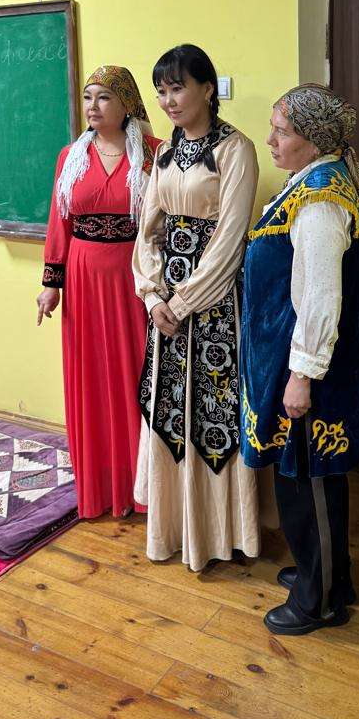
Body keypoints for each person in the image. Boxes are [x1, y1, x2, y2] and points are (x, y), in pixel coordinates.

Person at [240, 83, 359, 635]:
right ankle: (327, 573)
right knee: (309, 480)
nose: (271, 140)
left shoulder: (321, 199)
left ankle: (319, 600)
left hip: (310, 369)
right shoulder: (312, 182)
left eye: (281, 132)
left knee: (309, 484)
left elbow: (321, 297)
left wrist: (302, 375)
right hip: (302, 362)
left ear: (314, 139)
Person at [133, 44, 260, 571]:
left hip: (215, 302)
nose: (168, 100)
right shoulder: (165, 151)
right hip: (166, 306)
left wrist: (183, 301)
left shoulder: (236, 149)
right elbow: (147, 230)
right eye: (161, 91)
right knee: (170, 406)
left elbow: (231, 240)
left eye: (177, 88)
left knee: (214, 408)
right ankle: (175, 529)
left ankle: (221, 534)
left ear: (207, 89)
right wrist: (152, 295)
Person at [36, 66, 161, 519]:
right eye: (88, 96)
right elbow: (59, 222)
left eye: (104, 97)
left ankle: (142, 488)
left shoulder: (154, 153)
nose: (92, 105)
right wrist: (51, 285)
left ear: (127, 104)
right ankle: (101, 486)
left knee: (136, 377)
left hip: (135, 278)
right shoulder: (70, 156)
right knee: (91, 379)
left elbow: (166, 220)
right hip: (83, 279)